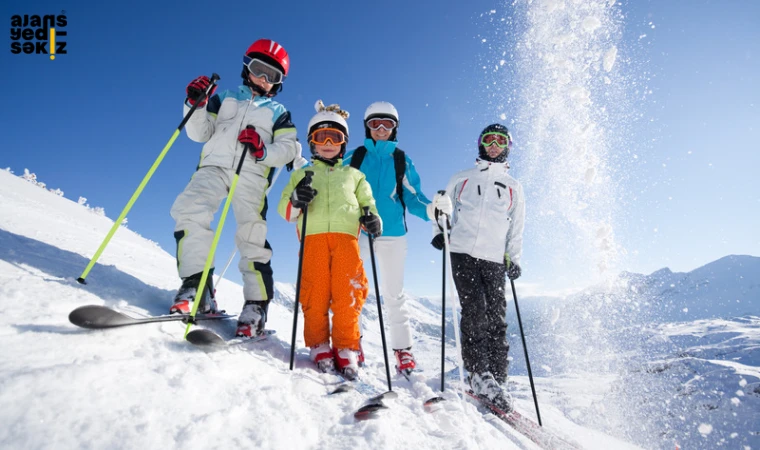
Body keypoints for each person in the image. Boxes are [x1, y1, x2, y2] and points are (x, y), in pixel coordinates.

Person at [169, 38, 299, 340]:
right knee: (190, 210)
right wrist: (195, 103)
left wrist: (262, 150)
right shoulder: (225, 97)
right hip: (214, 166)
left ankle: (256, 305)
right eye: (258, 70)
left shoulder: (278, 111)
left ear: (278, 83)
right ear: (246, 68)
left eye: (272, 76)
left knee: (251, 233)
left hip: (252, 173)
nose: (264, 80)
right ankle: (197, 286)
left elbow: (288, 148)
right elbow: (198, 132)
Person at [278, 101, 382, 380]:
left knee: (349, 292)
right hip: (312, 240)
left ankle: (347, 346)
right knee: (315, 293)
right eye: (320, 137)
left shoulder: (354, 176)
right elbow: (285, 210)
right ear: (311, 143)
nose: (327, 143)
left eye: (334, 138)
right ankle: (319, 344)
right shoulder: (301, 174)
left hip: (347, 240)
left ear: (343, 143)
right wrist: (297, 200)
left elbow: (368, 204)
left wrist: (371, 218)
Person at [430, 123, 525, 411]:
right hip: (462, 251)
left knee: (497, 315)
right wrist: (439, 230)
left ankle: (498, 375)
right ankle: (478, 374)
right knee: (475, 311)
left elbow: (517, 227)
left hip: (495, 257)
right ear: (480, 144)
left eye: (499, 140)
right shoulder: (462, 178)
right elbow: (441, 207)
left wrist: (514, 257)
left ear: (508, 146)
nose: (494, 144)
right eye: (488, 139)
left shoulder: (513, 187)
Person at [343, 101, 436, 375]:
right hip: (359, 231)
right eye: (375, 124)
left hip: (393, 234)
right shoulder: (354, 157)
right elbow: (337, 185)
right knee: (354, 290)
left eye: (387, 124)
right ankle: (352, 341)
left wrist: (432, 211)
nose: (381, 129)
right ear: (367, 127)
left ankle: (403, 351)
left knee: (394, 293)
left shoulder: (401, 160)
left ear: (395, 128)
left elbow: (413, 196)